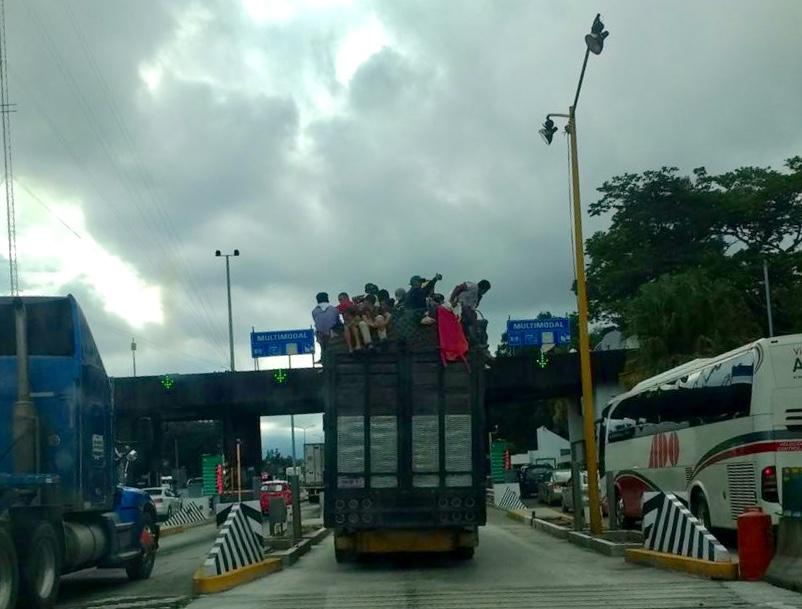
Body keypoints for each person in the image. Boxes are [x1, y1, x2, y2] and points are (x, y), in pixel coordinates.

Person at [449, 280, 491, 344]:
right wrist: (452, 300)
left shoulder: (477, 296)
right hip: (457, 305)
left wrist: (479, 299)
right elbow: (458, 287)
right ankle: (471, 336)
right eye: (485, 291)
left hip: (466, 311)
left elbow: (474, 307)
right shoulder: (473, 286)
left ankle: (472, 335)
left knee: (475, 315)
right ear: (483, 289)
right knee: (468, 312)